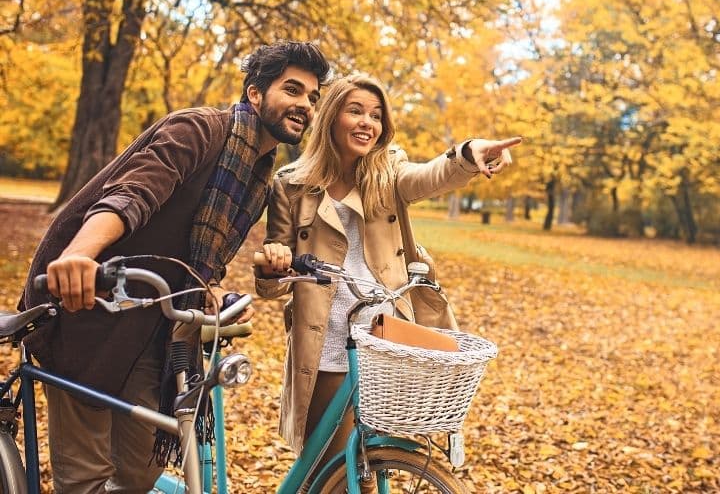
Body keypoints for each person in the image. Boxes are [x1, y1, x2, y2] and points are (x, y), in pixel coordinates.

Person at [20, 40, 330, 494]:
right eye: (293, 89)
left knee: (139, 469)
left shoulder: (257, 180)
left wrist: (215, 294)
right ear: (255, 94)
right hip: (88, 308)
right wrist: (80, 254)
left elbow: (207, 263)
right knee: (85, 475)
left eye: (312, 98)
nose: (305, 104)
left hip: (157, 330)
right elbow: (132, 195)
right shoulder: (198, 130)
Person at [253, 73, 521, 484]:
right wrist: (273, 263)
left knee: (374, 460)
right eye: (355, 110)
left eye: (376, 115)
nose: (367, 123)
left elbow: (431, 175)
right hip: (323, 337)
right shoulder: (292, 185)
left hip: (385, 334)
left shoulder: (388, 172)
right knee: (326, 465)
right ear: (331, 117)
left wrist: (468, 153)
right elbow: (273, 281)